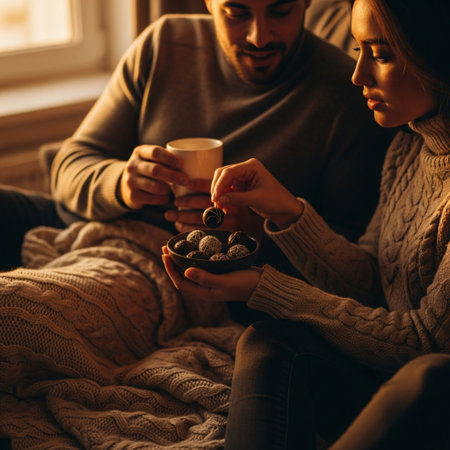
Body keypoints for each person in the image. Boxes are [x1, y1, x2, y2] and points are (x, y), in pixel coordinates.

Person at [162, 0, 450, 447]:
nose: (358, 76)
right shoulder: (407, 150)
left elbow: (427, 345)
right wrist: (286, 211)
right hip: (375, 371)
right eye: (358, 50)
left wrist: (266, 288)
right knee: (267, 342)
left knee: (428, 376)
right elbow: (371, 282)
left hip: (425, 387)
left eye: (382, 54)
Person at [46, 0, 393, 277]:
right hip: (97, 234)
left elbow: (352, 258)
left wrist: (257, 231)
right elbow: (68, 166)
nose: (260, 37)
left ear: (305, 3)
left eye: (280, 10)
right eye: (236, 13)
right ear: (209, 4)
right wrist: (121, 183)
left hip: (173, 280)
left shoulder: (349, 92)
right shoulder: (164, 43)